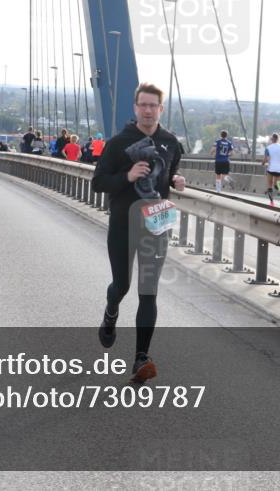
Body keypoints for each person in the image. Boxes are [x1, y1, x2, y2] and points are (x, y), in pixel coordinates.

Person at [92, 82, 185, 385]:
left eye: (153, 105)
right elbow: (98, 181)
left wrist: (176, 180)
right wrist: (127, 176)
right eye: (142, 105)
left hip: (156, 223)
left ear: (161, 108)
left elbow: (166, 176)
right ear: (135, 108)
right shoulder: (119, 143)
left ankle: (141, 359)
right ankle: (111, 311)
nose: (147, 110)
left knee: (149, 291)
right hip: (123, 223)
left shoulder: (172, 142)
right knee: (122, 285)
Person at [261, 134, 280, 206]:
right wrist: (279, 161)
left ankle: (272, 202)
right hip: (279, 169)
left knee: (270, 185)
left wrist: (262, 163)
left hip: (271, 168)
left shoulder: (268, 148)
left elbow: (265, 159)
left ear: (272, 139)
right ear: (278, 139)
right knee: (276, 184)